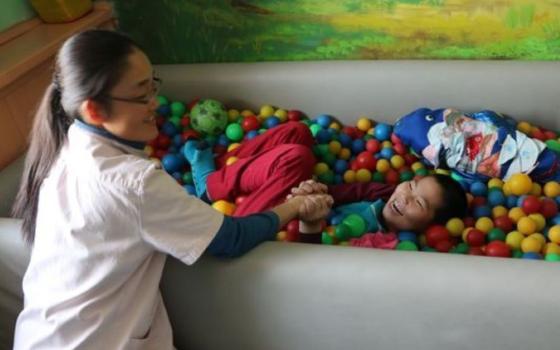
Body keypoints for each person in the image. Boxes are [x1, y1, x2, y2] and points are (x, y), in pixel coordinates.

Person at [11, 30, 333, 349]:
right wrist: (295, 206)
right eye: (141, 94)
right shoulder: (132, 182)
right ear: (94, 110)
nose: (156, 102)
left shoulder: (67, 149)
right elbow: (230, 240)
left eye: (153, 85)